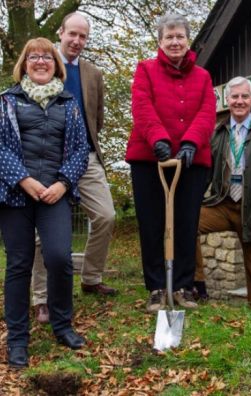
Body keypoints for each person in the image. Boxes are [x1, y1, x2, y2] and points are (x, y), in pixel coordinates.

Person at [0, 37, 89, 368]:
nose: (40, 61)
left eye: (47, 57)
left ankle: (62, 325)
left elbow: (81, 149)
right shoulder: (7, 101)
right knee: (19, 265)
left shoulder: (69, 104)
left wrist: (63, 183)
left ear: (56, 64)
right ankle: (19, 338)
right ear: (24, 63)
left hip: (55, 194)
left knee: (59, 258)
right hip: (15, 194)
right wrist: (25, 180)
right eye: (33, 57)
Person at [125, 13, 216, 313]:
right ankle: (155, 287)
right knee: (152, 223)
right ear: (160, 42)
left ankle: (182, 285)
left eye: (180, 37)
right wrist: (158, 139)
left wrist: (191, 142)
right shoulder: (145, 70)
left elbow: (207, 112)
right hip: (150, 158)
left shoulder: (202, 76)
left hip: (191, 161)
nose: (174, 42)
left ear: (188, 41)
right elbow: (142, 105)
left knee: (185, 223)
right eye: (169, 37)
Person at [32, 12, 117, 324]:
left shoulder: (93, 73)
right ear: (61, 32)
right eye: (73, 34)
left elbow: (98, 118)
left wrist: (85, 145)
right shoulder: (43, 64)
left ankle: (91, 278)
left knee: (106, 216)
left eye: (83, 36)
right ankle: (41, 299)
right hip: (48, 160)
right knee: (45, 232)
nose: (77, 41)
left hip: (86, 156)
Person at [195, 76, 251, 309]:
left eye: (244, 96)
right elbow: (205, 171)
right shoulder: (218, 133)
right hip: (223, 204)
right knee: (185, 223)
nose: (239, 101)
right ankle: (196, 285)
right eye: (234, 96)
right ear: (227, 100)